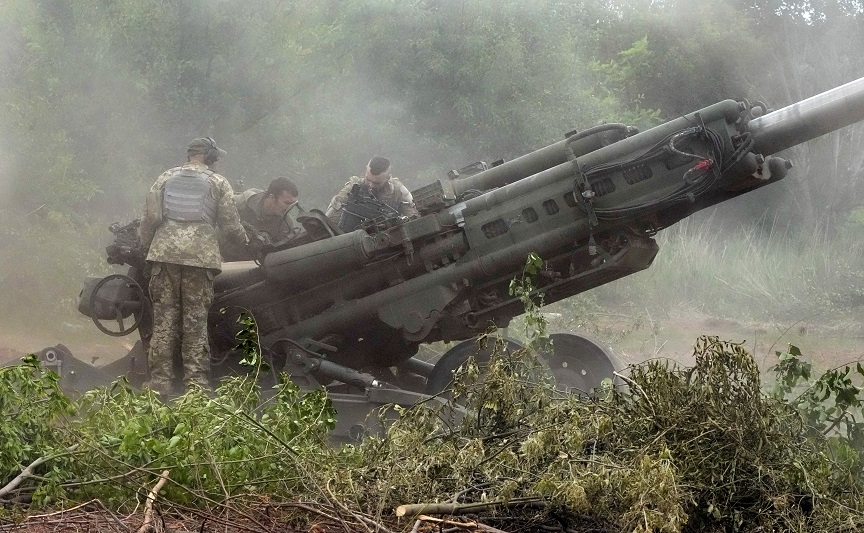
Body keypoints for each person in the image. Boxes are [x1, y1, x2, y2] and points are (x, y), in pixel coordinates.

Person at [138, 137, 248, 396]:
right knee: (195, 322)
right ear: (209, 156)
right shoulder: (219, 183)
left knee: (165, 320)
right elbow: (230, 225)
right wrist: (246, 241)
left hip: (164, 256)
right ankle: (196, 386)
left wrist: (146, 245)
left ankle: (160, 384)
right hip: (199, 260)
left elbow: (151, 217)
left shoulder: (164, 178)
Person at [325, 156, 419, 225]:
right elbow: (329, 221)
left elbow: (414, 218)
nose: (370, 185)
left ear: (388, 178)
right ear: (366, 170)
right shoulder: (353, 188)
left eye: (376, 183)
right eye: (368, 179)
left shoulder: (398, 191)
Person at [223, 177, 301, 260]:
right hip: (220, 255)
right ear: (272, 198)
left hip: (249, 265)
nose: (289, 207)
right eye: (286, 203)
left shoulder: (286, 225)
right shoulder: (241, 203)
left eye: (292, 204)